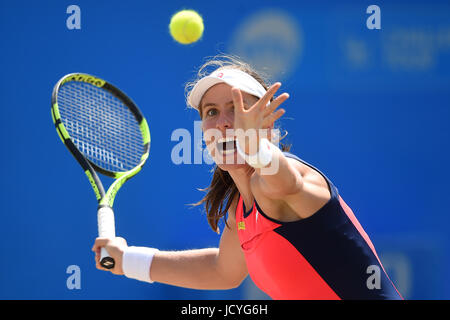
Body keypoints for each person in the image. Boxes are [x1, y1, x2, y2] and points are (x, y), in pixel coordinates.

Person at [92, 55, 402, 300]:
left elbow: (286, 183)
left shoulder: (280, 179)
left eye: (237, 110)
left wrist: (257, 147)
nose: (225, 123)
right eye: (211, 112)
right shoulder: (238, 210)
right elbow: (221, 271)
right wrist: (126, 260)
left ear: (265, 119)